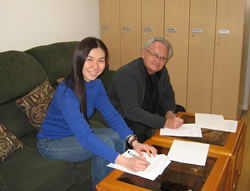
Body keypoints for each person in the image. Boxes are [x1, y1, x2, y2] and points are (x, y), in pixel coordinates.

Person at [37, 37, 157, 188]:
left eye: (101, 60)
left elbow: (112, 115)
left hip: (73, 134)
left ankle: (114, 183)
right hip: (52, 143)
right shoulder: (67, 92)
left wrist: (134, 142)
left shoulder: (96, 84)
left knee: (116, 136)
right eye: (89, 59)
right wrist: (126, 161)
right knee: (106, 141)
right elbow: (85, 137)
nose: (95, 66)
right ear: (79, 60)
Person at [108, 37, 184, 144]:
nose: (158, 61)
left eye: (163, 58)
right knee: (140, 130)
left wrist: (169, 112)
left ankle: (172, 147)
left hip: (148, 109)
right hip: (125, 115)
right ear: (143, 53)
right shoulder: (127, 74)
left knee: (180, 110)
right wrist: (164, 122)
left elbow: (168, 94)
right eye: (155, 55)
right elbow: (132, 111)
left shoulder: (162, 71)